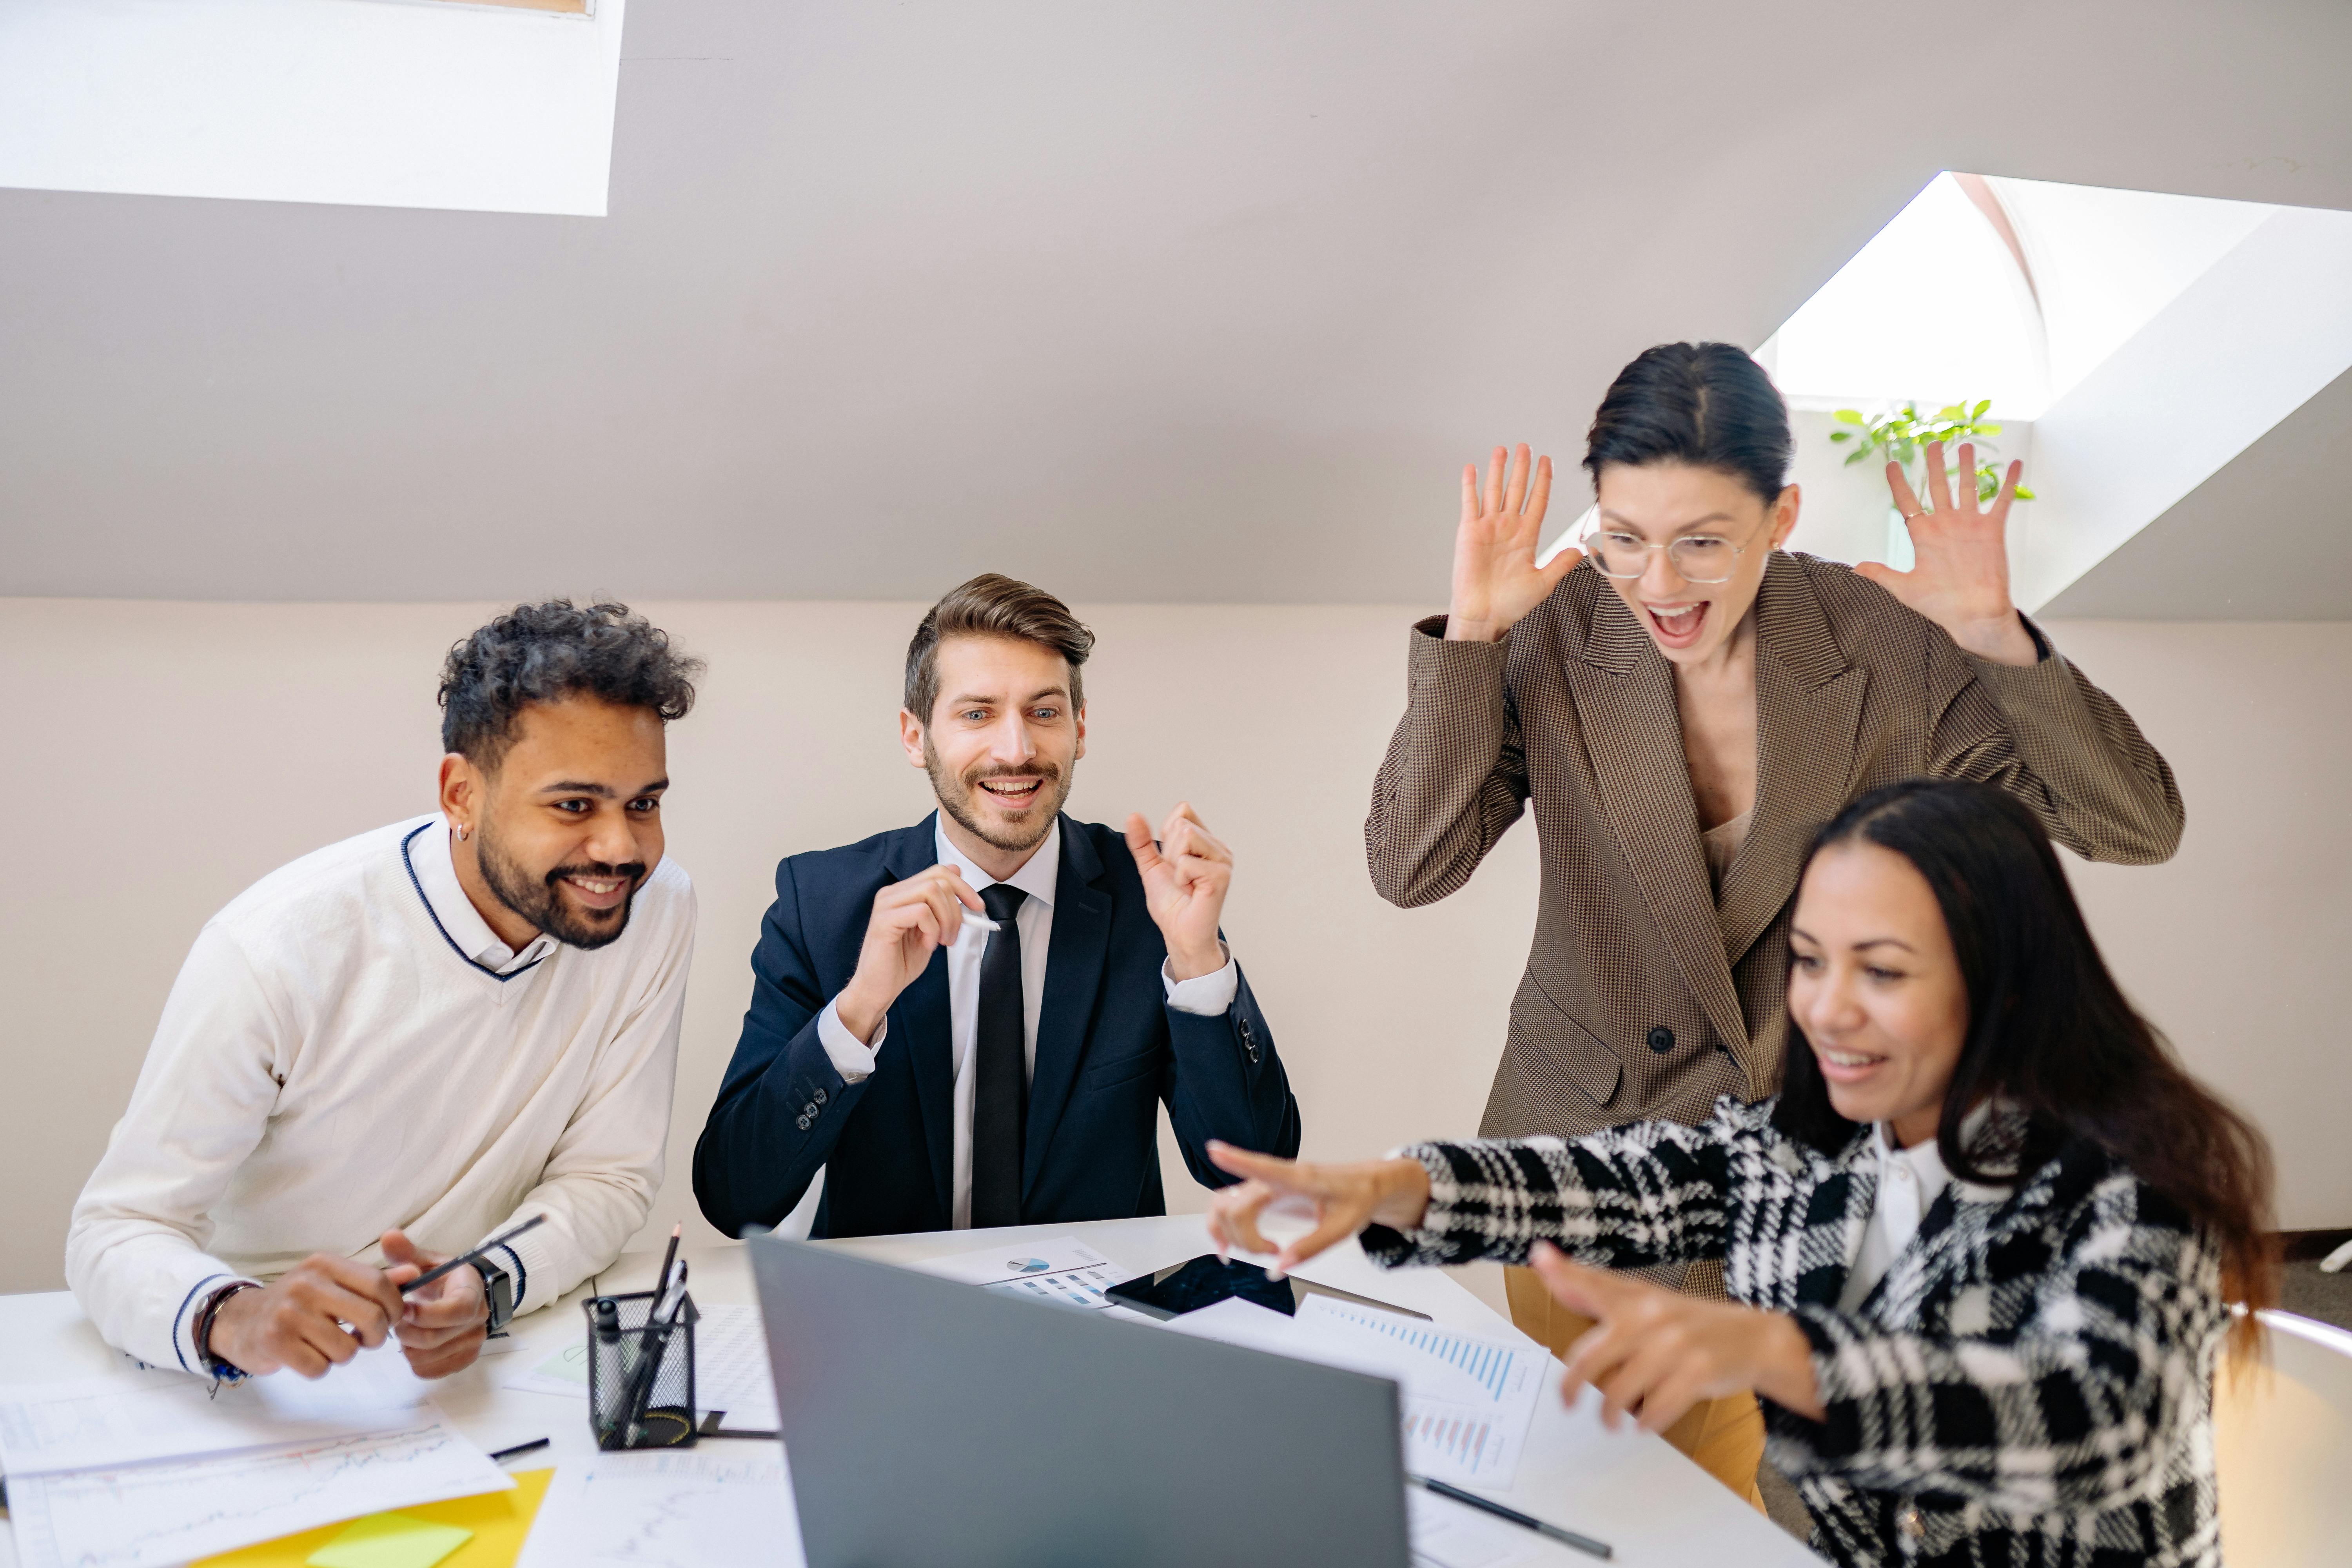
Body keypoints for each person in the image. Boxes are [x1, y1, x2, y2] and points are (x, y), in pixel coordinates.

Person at [1364, 342, 2183, 1496]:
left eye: (1702, 540)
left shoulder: (1882, 644)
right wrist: (1472, 640)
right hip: (1584, 1163)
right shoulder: (1553, 631)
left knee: (1777, 1515)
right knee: (1587, 1504)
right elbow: (1410, 865)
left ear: (1780, 515)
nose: (1659, 583)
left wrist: (1998, 634)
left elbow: (2135, 824)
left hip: (1802, 1186)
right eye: (1624, 535)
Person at [1212, 779, 2272, 1568]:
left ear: (2002, 981)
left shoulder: (2132, 1179)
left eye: (1883, 971)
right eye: (1811, 961)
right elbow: (1621, 1181)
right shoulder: (1808, 1148)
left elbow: (2100, 1416)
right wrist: (1405, 1187)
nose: (1826, 1008)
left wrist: (1777, 1350)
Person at [67, 601, 702, 1382]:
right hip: (255, 1380)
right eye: (574, 803)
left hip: (475, 1369)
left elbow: (609, 1174)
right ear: (461, 794)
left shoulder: (654, 905)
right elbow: (117, 1227)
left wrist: (487, 1279)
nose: (621, 846)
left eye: (644, 802)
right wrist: (240, 1317)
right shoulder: (278, 945)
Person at [695, 573, 1299, 1240]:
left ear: (1080, 728)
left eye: (1044, 713)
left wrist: (1197, 963)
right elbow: (734, 1196)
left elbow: (1255, 1175)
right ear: (914, 736)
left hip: (1092, 1321)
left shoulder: (1151, 898)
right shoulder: (821, 904)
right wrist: (858, 1010)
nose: (1016, 751)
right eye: (977, 714)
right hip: (890, 1319)